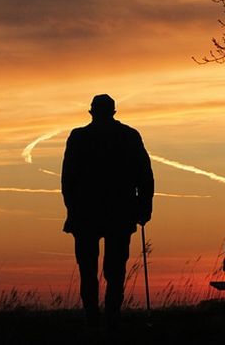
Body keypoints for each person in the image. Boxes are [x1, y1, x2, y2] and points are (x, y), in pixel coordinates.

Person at [61, 94, 154, 328]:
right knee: (114, 269)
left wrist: (72, 209)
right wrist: (144, 207)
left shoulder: (79, 137)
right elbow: (145, 176)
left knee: (89, 269)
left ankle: (93, 315)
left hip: (87, 213)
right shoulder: (129, 136)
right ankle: (111, 315)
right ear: (113, 112)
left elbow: (67, 179)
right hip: (119, 212)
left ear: (92, 112)